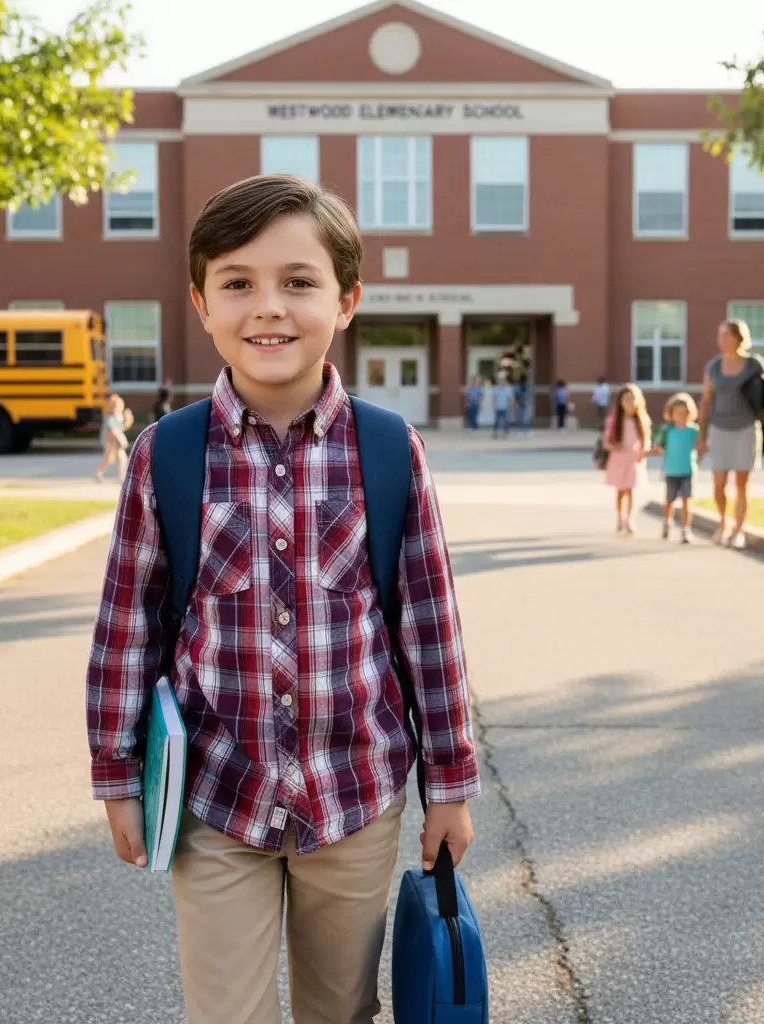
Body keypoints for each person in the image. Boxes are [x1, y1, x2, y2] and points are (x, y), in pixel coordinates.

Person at [85, 174, 480, 1024]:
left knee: (339, 1011)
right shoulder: (167, 455)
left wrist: (448, 782)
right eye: (238, 283)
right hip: (216, 798)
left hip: (355, 798)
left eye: (298, 282)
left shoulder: (388, 450)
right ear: (201, 303)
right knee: (227, 1014)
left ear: (346, 301)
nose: (269, 307)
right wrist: (117, 774)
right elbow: (127, 630)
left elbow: (429, 630)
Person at [698, 319, 764, 549]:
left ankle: (738, 530)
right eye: (719, 335)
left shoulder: (754, 364)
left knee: (742, 484)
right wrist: (701, 435)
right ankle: (722, 523)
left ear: (738, 338)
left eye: (726, 335)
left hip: (746, 429)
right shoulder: (713, 366)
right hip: (720, 429)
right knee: (718, 485)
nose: (721, 339)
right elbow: (706, 401)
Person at [604, 382, 653, 535]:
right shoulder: (614, 421)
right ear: (620, 401)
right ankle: (620, 517)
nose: (629, 402)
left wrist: (643, 452)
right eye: (625, 399)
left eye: (632, 399)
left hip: (634, 459)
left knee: (631, 490)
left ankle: (630, 519)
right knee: (621, 491)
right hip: (619, 459)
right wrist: (614, 447)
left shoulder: (642, 420)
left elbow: (646, 441)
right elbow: (606, 441)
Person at [654, 392, 700, 544]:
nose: (681, 415)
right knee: (669, 500)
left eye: (684, 412)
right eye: (677, 412)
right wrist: (656, 449)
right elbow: (658, 446)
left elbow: (701, 446)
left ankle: (686, 529)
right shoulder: (667, 430)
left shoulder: (693, 431)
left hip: (687, 470)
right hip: (671, 470)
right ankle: (667, 521)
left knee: (687, 500)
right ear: (671, 413)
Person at [94, 394, 133, 484]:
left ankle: (120, 477)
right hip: (110, 440)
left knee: (121, 457)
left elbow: (123, 427)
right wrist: (121, 439)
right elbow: (112, 430)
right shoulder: (111, 416)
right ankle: (99, 472)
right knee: (109, 458)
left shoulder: (118, 416)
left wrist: (129, 419)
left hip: (115, 441)